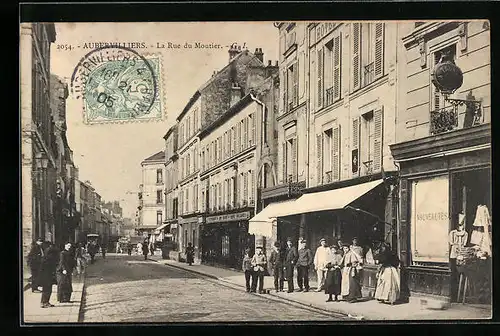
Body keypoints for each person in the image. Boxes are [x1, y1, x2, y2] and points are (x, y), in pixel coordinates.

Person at [40, 242, 58, 308]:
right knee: (47, 290)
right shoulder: (48, 260)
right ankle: (44, 302)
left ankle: (45, 302)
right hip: (46, 277)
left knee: (47, 290)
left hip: (47, 277)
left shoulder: (45, 259)